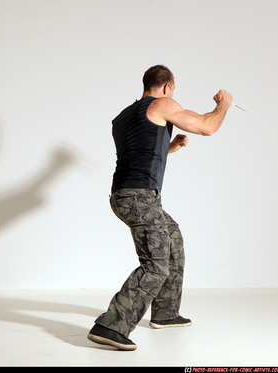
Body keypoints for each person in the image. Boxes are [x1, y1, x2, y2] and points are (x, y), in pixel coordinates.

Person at [87, 65, 233, 350]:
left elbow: (137, 154)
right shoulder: (162, 103)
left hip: (129, 195)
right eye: (174, 90)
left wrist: (169, 149)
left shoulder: (123, 117)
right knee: (155, 264)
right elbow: (207, 126)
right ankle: (110, 325)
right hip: (139, 197)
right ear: (167, 87)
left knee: (172, 238)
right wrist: (224, 105)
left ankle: (166, 314)